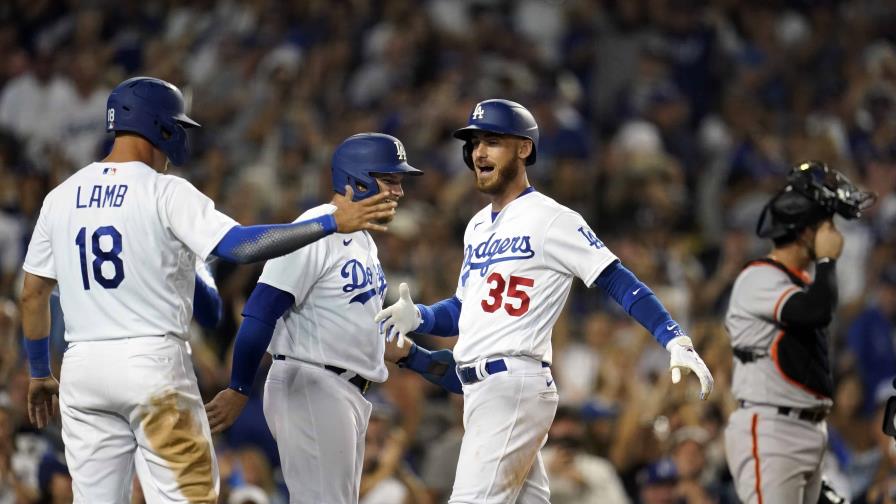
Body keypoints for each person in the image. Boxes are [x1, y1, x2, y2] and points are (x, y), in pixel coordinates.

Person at [19, 76, 396, 504]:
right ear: (161, 127)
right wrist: (330, 222)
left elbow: (33, 293)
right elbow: (241, 247)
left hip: (82, 368)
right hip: (150, 364)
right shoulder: (165, 191)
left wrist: (37, 371)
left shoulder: (61, 196)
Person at [375, 99, 714, 503]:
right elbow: (465, 311)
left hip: (513, 383)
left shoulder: (553, 219)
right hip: (484, 389)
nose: (479, 152)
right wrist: (422, 317)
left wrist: (672, 336)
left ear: (524, 149)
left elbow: (617, 280)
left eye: (493, 141)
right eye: (475, 143)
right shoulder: (478, 226)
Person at [204, 132, 422, 503]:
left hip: (341, 389)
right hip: (313, 383)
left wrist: (425, 360)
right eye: (391, 180)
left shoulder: (365, 242)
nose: (399, 192)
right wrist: (239, 387)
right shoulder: (317, 226)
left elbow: (357, 328)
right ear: (357, 179)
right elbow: (261, 308)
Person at [723, 161, 874, 504]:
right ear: (805, 231)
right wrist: (826, 262)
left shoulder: (799, 283)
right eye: (825, 224)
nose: (831, 234)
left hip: (805, 430)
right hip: (773, 429)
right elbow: (816, 311)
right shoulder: (758, 277)